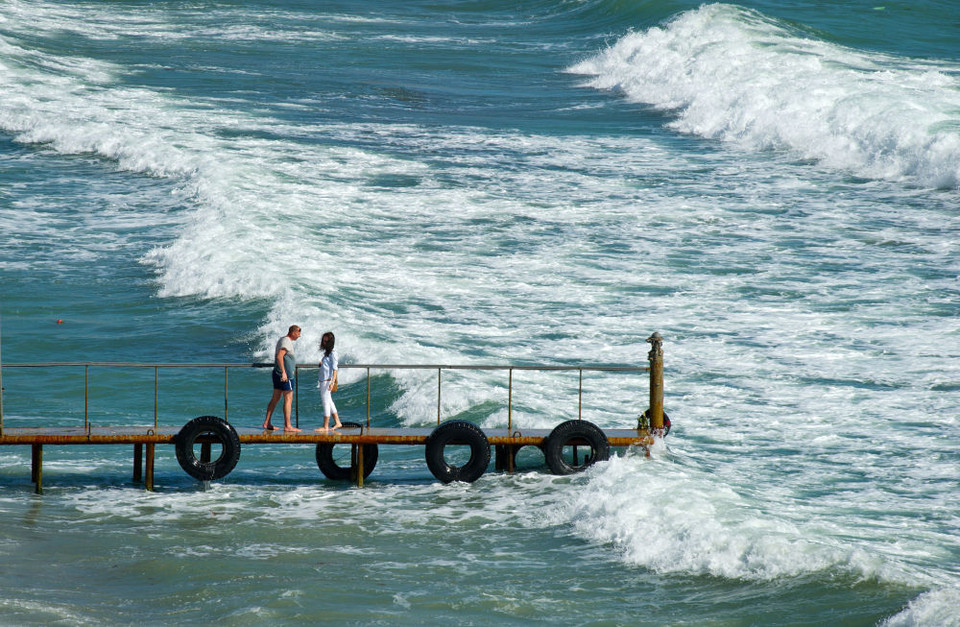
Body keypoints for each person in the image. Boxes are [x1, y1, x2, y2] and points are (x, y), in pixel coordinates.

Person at [262, 325, 302, 432]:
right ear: (293, 332)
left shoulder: (283, 340)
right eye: (298, 332)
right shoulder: (286, 341)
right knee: (288, 399)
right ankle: (288, 425)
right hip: (285, 376)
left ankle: (267, 422)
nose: (299, 335)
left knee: (275, 398)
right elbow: (280, 356)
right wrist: (284, 372)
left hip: (278, 374)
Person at [315, 331, 343, 432]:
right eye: (323, 341)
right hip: (323, 380)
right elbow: (327, 365)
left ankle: (325, 426)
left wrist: (332, 382)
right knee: (329, 402)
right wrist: (322, 363)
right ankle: (338, 422)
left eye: (326, 341)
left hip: (327, 381)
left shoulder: (333, 353)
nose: (324, 343)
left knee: (325, 403)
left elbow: (335, 369)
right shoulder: (327, 353)